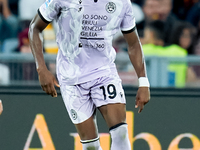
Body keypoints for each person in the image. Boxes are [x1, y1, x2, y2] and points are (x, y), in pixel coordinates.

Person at [29, 0, 150, 150]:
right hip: (71, 76)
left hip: (104, 72)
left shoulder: (121, 2)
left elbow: (133, 43)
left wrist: (143, 81)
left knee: (121, 132)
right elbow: (35, 27)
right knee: (91, 146)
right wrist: (41, 69)